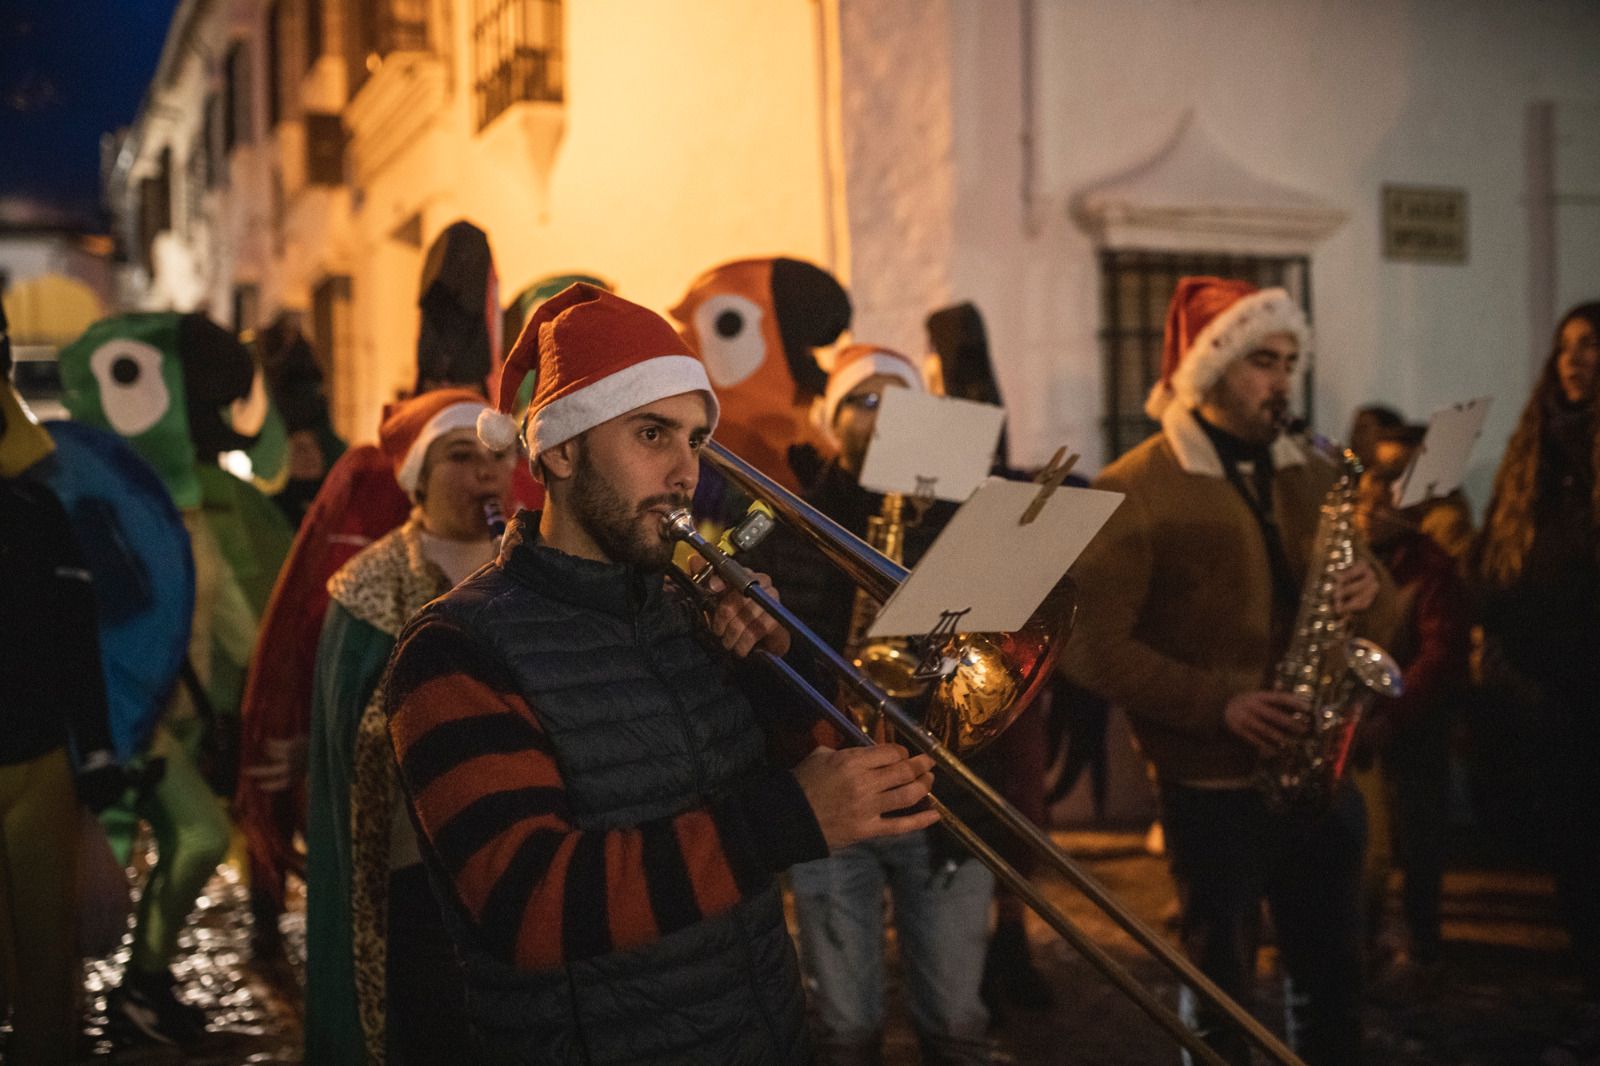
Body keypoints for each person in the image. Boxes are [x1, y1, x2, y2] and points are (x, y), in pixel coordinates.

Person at [379, 283, 939, 1063]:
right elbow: (526, 904)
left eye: (695, 439)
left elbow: (828, 760)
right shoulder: (454, 649)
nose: (686, 472)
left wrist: (776, 662)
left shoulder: (688, 612)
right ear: (560, 450)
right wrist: (779, 821)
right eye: (652, 434)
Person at [1062, 276, 1394, 1065]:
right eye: (1261, 362)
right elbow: (1090, 645)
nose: (1282, 382)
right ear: (1209, 369)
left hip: (1319, 770)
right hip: (1212, 784)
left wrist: (1372, 590)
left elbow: (1374, 611)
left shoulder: (1312, 475)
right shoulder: (1134, 486)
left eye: (1289, 363)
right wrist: (1221, 704)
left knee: (1333, 983)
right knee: (1218, 993)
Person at [748, 344, 997, 1065]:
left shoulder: (961, 520)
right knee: (845, 1025)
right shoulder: (792, 516)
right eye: (862, 400)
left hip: (944, 797)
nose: (882, 414)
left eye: (899, 397)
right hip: (833, 793)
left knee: (956, 1018)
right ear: (832, 420)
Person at [303, 388, 514, 1063]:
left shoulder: (530, 566)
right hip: (415, 861)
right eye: (460, 456)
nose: (485, 473)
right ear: (419, 477)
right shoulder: (367, 585)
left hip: (519, 844)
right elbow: (348, 738)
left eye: (496, 456)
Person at [1472, 301, 1600, 1063]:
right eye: (1565, 347)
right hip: (1550, 693)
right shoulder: (1535, 453)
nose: (1574, 359)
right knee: (1574, 849)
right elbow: (1498, 556)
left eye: (1590, 346)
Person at [1, 355, 123, 1065]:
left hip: (42, 761)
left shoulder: (38, 513)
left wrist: (98, 752)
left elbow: (77, 641)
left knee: (49, 962)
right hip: (38, 758)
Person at [1351, 424, 1470, 973]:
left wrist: (1393, 714)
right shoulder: (1344, 563)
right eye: (1362, 502)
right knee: (1365, 846)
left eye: (1381, 503)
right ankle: (1363, 939)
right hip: (1361, 723)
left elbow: (1439, 653)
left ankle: (1423, 941)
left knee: (1420, 838)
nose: (1368, 514)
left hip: (1415, 725)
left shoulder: (1431, 567)